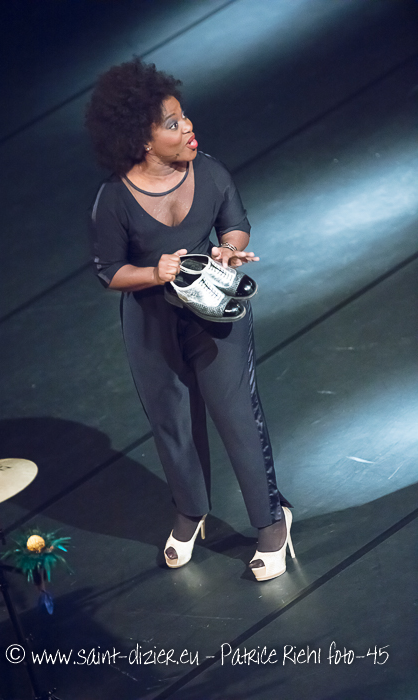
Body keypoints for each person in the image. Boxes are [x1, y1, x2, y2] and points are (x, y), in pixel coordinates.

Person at [85, 59, 294, 580]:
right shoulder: (114, 199)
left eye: (184, 117)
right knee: (173, 422)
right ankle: (190, 512)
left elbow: (236, 225)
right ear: (142, 140)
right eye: (173, 124)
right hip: (151, 326)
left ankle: (272, 521)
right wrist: (153, 272)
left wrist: (228, 250)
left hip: (213, 311)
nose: (188, 127)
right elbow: (109, 272)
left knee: (236, 416)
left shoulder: (212, 172)